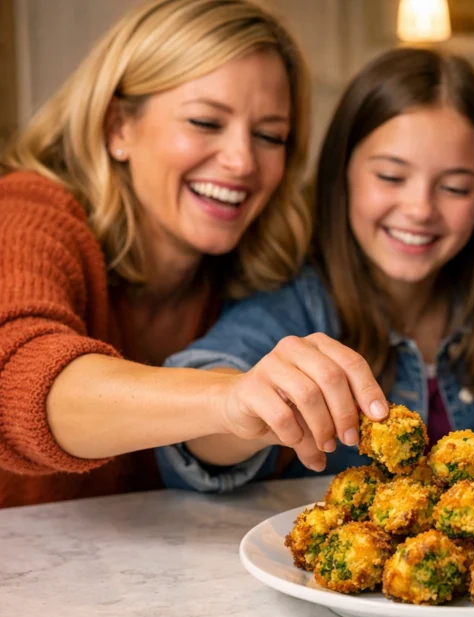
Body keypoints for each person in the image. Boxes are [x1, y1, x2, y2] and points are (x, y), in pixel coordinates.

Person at [155, 48, 474, 492]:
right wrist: (242, 401)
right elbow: (197, 434)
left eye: (455, 187)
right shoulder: (294, 296)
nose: (419, 210)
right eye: (390, 177)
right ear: (343, 175)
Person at [0, 0, 313, 508]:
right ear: (117, 128)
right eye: (206, 122)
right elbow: (14, 377)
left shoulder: (264, 269)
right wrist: (224, 399)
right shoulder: (28, 214)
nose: (242, 161)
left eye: (269, 135)